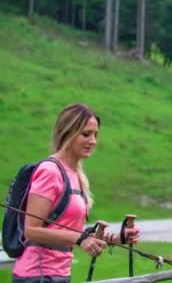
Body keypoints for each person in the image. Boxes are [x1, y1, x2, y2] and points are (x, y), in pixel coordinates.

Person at [12, 103, 140, 283]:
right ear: (68, 133)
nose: (93, 141)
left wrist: (117, 238)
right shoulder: (50, 171)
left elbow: (65, 229)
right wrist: (80, 238)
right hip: (36, 275)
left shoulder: (75, 174)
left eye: (96, 135)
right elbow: (31, 230)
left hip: (59, 274)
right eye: (86, 134)